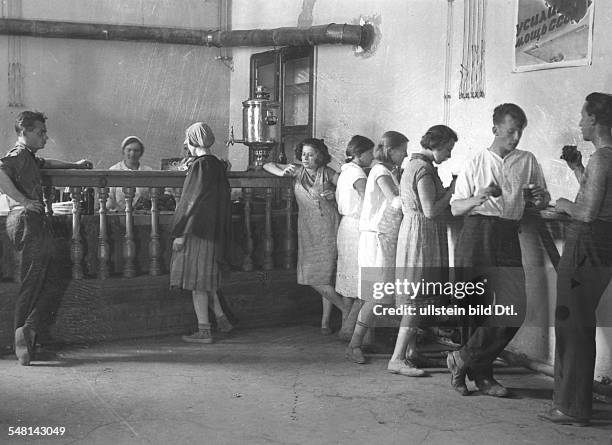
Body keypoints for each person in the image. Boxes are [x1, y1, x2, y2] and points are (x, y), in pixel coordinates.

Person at [447, 103, 549, 396]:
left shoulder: (527, 160)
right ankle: (480, 378)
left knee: (513, 308)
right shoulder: (475, 161)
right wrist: (478, 197)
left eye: (520, 131)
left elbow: (538, 200)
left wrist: (541, 199)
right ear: (495, 129)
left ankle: (462, 358)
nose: (516, 137)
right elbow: (456, 207)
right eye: (510, 131)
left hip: (506, 234)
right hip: (477, 233)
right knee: (473, 309)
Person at [539, 92, 612, 426]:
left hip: (586, 247)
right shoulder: (601, 159)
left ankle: (571, 408)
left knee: (573, 327)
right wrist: (577, 168)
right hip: (600, 247)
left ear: (595, 120)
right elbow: (599, 199)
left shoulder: (603, 159)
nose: (580, 122)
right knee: (578, 324)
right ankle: (572, 403)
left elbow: (585, 212)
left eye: (583, 117)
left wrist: (564, 204)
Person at [0, 110, 92, 365]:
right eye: (40, 132)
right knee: (34, 281)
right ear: (23, 132)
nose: (45, 136)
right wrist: (24, 200)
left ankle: (27, 333)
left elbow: (48, 163)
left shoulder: (28, 156)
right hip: (26, 220)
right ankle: (22, 338)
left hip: (32, 221)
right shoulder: (17, 155)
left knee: (49, 275)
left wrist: (74, 165)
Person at [389, 125, 457, 376]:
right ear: (436, 145)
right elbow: (430, 210)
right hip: (421, 235)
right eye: (448, 148)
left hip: (416, 232)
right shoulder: (423, 169)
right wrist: (452, 190)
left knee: (416, 298)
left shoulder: (415, 165)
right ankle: (396, 358)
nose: (449, 154)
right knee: (415, 300)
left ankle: (411, 353)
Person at [263, 138, 346, 332]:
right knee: (316, 277)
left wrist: (336, 194)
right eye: (303, 154)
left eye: (310, 154)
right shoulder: (298, 171)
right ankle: (337, 316)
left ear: (320, 156)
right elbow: (267, 164)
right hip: (307, 228)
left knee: (323, 277)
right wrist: (282, 172)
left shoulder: (328, 173)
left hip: (328, 227)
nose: (305, 157)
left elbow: (348, 187)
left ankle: (338, 316)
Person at [345, 131, 408, 365]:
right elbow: (395, 200)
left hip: (385, 237)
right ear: (391, 150)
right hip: (376, 239)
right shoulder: (381, 171)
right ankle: (354, 345)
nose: (406, 154)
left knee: (380, 295)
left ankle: (362, 340)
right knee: (376, 295)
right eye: (403, 149)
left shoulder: (387, 171)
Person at [170, 122, 234, 344]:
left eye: (188, 139)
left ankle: (204, 331)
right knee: (206, 280)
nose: (186, 143)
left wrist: (180, 234)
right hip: (214, 232)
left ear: (193, 140)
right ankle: (222, 318)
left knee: (197, 284)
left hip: (197, 232)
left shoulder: (199, 166)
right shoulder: (216, 165)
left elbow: (191, 203)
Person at [335, 136, 375, 340]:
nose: (373, 156)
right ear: (360, 154)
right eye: (370, 153)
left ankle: (346, 327)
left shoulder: (345, 171)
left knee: (349, 282)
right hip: (357, 228)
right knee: (361, 282)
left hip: (346, 226)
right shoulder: (358, 173)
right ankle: (352, 330)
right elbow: (368, 200)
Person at [107, 136, 154, 211]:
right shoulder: (114, 170)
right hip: (120, 215)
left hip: (143, 216)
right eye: (129, 150)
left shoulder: (148, 171)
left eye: (136, 150)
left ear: (141, 153)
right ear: (123, 151)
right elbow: (109, 200)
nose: (132, 154)